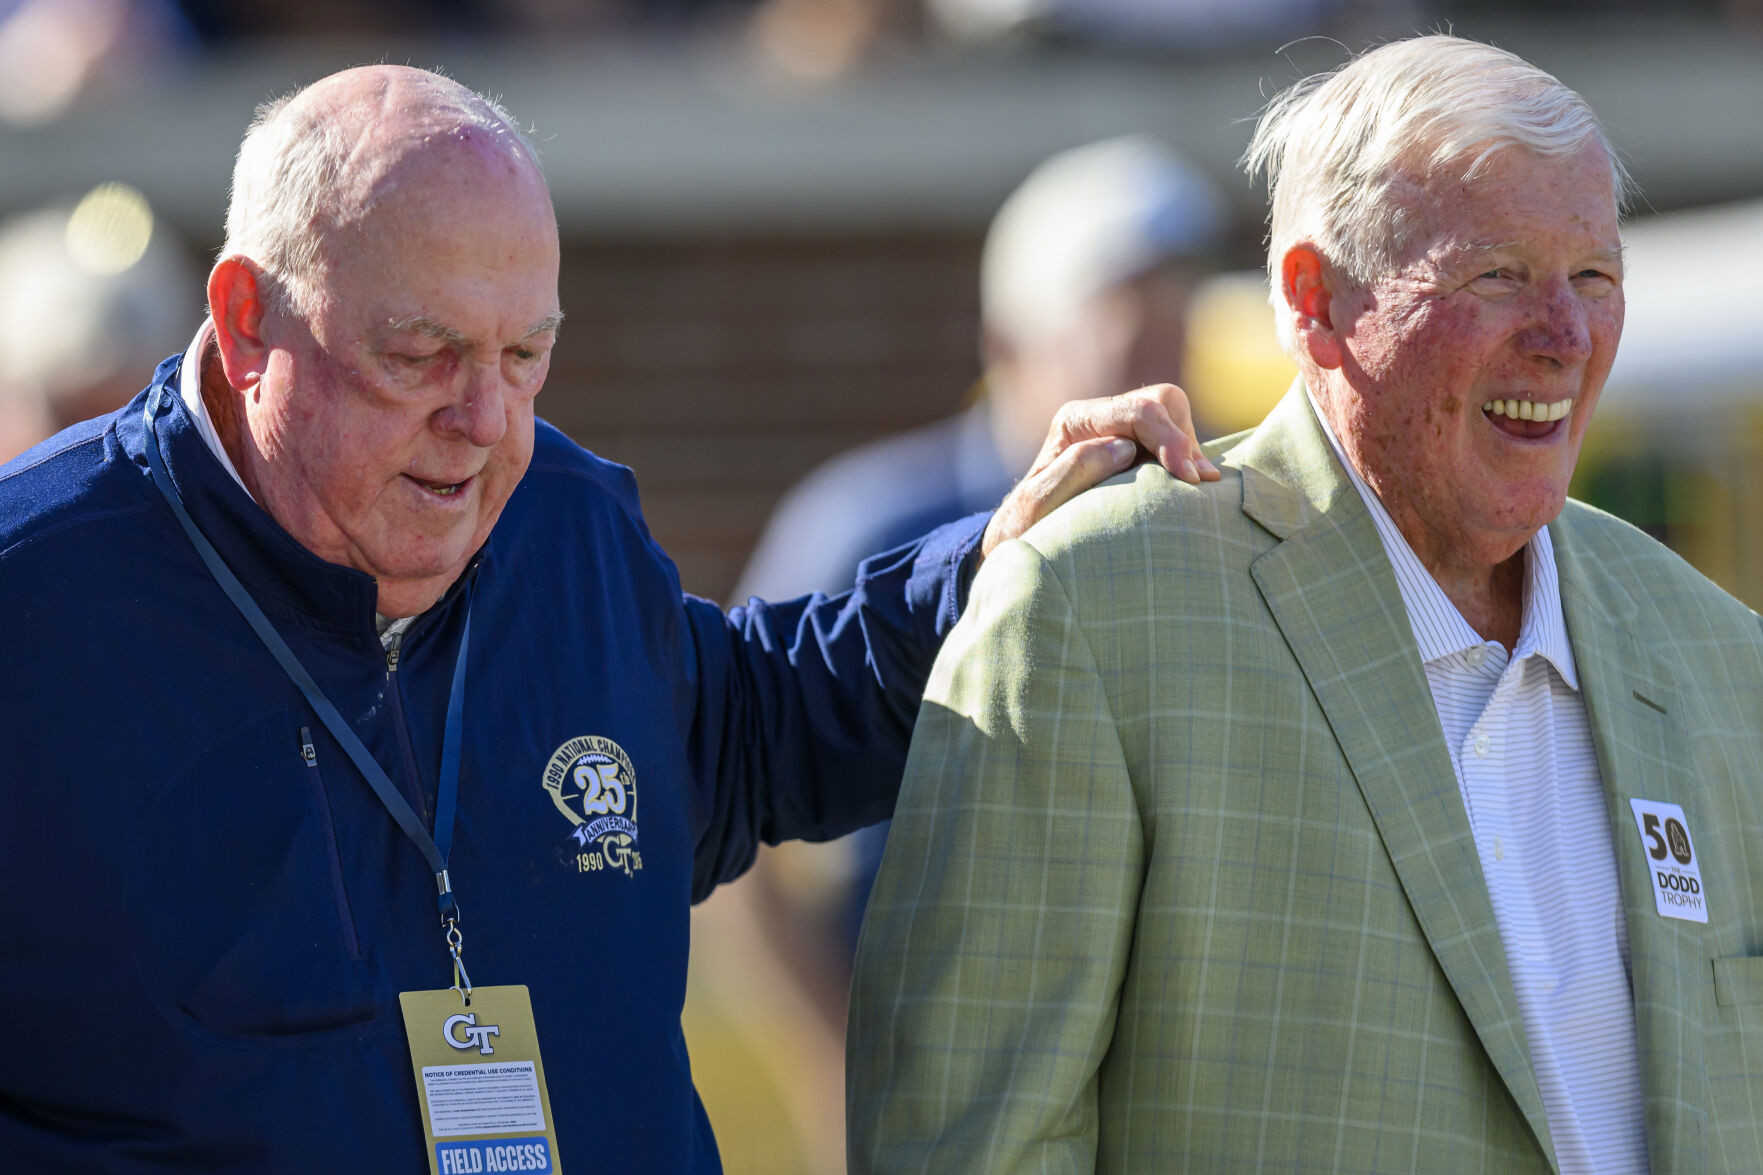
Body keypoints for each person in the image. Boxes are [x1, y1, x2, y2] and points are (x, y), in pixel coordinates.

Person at [0, 66, 1212, 1171]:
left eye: (524, 355)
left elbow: (750, 726)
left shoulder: (565, 518)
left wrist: (1001, 562)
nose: (484, 422)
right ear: (249, 321)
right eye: (421, 354)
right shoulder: (35, 598)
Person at [848, 34, 1763, 1175]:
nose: (1564, 337)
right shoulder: (1092, 613)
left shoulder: (1720, 658)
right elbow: (970, 1146)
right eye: (1496, 275)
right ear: (1314, 299)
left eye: (1592, 277)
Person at [737, 134, 1227, 605]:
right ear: (1007, 346)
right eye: (1135, 348)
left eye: (1181, 336)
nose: (1160, 396)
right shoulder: (869, 533)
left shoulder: (1219, 517)